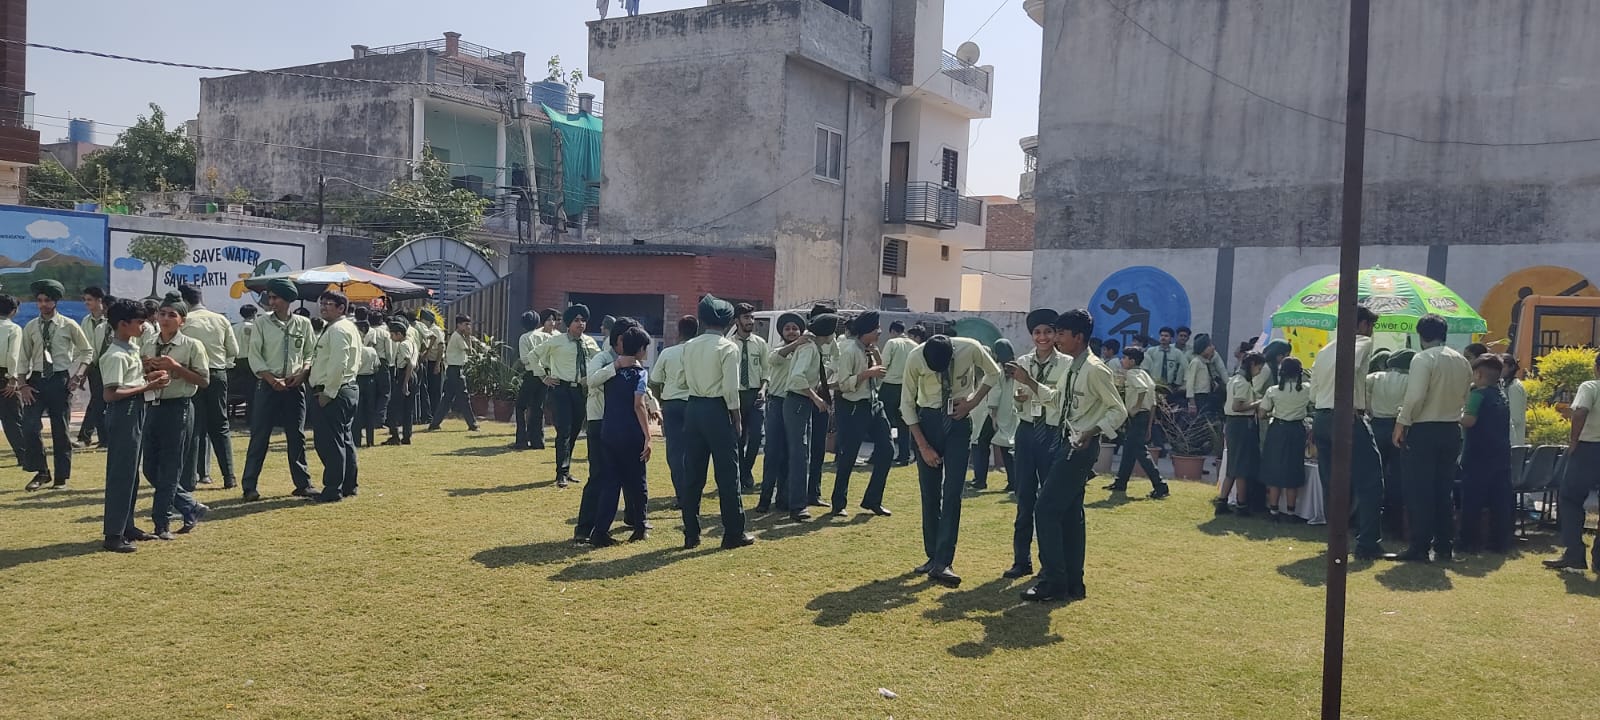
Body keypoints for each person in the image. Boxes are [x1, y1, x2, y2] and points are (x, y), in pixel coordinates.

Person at [1020, 309, 1126, 602]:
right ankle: (1072, 582)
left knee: (1045, 509)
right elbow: (1059, 400)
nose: (1056, 339)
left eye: (1061, 334)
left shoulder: (1095, 369)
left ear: (1078, 337)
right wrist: (1029, 382)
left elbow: (1118, 410)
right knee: (1069, 513)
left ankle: (1053, 580)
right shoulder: (1073, 367)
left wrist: (1092, 431)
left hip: (1078, 447)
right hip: (1065, 441)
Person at [902, 333, 1002, 588]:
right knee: (930, 493)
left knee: (953, 491)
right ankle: (932, 555)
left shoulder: (970, 347)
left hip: (958, 421)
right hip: (928, 422)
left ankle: (944, 561)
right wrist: (923, 446)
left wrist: (973, 402)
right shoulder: (915, 357)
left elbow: (994, 373)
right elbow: (906, 404)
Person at [1310, 305, 1391, 560]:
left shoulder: (1325, 349)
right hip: (1346, 416)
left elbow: (1313, 392)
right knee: (1370, 481)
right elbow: (1349, 365)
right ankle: (1367, 542)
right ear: (1364, 325)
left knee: (1331, 482)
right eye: (1371, 326)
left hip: (1322, 416)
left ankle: (1336, 539)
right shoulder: (1362, 342)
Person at [1392, 314, 1472, 563]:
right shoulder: (1462, 361)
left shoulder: (1422, 358)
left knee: (1419, 490)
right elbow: (1466, 396)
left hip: (1424, 429)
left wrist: (1402, 422)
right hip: (1451, 429)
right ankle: (1444, 545)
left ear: (1421, 335)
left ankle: (1419, 545)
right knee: (1443, 490)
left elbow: (1415, 396)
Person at [677, 295, 754, 550]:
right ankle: (733, 533)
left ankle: (691, 532)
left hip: (694, 407)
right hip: (717, 410)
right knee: (728, 474)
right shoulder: (728, 347)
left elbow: (682, 380)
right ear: (728, 321)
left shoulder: (689, 345)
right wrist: (737, 417)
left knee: (693, 473)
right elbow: (731, 389)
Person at [575, 317, 655, 542]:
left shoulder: (637, 367)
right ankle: (585, 527)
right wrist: (616, 366)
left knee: (629, 476)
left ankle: (635, 519)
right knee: (600, 476)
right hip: (601, 421)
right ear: (620, 339)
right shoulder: (602, 358)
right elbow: (591, 381)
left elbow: (643, 392)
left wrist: (653, 405)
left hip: (621, 422)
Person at [1003, 308, 1066, 578]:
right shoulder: (1024, 361)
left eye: (1048, 332)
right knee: (1024, 498)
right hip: (1027, 431)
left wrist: (1029, 382)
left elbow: (1057, 400)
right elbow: (1017, 397)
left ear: (1056, 334)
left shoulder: (1066, 364)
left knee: (1049, 500)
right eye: (1037, 332)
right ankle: (1021, 560)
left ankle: (1049, 563)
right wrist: (1019, 398)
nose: (1042, 337)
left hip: (1052, 433)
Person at [99, 297, 165, 553]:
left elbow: (130, 381)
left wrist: (149, 378)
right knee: (121, 473)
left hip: (136, 409)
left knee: (131, 473)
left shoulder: (130, 348)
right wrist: (148, 386)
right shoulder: (115, 354)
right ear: (123, 324)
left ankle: (127, 526)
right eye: (139, 321)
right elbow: (111, 394)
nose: (143, 326)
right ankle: (113, 533)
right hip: (123, 412)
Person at [141, 296, 212, 536]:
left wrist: (175, 367)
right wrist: (147, 372)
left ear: (182, 321)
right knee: (150, 468)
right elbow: (139, 373)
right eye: (162, 314)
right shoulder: (148, 342)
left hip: (178, 407)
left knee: (170, 467)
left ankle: (162, 523)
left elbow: (204, 381)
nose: (166, 319)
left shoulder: (192, 345)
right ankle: (190, 505)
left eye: (172, 315)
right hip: (152, 406)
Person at [239, 279, 315, 501]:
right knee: (260, 435)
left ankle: (303, 484)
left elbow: (310, 353)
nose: (271, 302)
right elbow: (255, 355)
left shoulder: (303, 324)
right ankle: (249, 486)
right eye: (270, 298)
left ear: (288, 299)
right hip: (267, 385)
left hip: (294, 386)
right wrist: (272, 380)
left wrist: (303, 373)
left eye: (276, 298)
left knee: (296, 436)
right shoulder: (262, 323)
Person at [19, 279, 91, 491]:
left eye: (47, 300)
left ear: (56, 302)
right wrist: (22, 385)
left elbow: (87, 351)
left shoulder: (68, 325)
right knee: (30, 426)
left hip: (60, 380)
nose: (43, 304)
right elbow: (23, 357)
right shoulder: (31, 327)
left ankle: (61, 477)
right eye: (40, 300)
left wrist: (78, 375)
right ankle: (42, 472)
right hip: (36, 380)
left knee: (60, 430)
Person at [828, 310, 894, 517]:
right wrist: (866, 374)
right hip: (853, 407)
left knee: (887, 450)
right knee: (848, 455)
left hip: (874, 404)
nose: (880, 332)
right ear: (866, 330)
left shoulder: (870, 349)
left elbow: (881, 376)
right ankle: (838, 503)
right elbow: (844, 384)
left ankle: (873, 500)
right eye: (877, 329)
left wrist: (876, 359)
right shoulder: (849, 351)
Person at [178, 284, 240, 489]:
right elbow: (234, 350)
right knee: (220, 425)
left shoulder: (185, 321)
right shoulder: (220, 319)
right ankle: (229, 476)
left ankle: (191, 477)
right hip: (217, 373)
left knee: (194, 426)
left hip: (192, 374)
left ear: (184, 300)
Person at [1544, 352, 1600, 572]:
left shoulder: (1590, 386)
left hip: (1589, 448)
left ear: (1596, 367)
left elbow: (1580, 412)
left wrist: (1573, 441)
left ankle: (1574, 553)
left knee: (1570, 498)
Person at [306, 291, 362, 502]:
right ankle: (348, 485)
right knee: (344, 440)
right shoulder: (344, 327)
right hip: (345, 388)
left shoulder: (338, 329)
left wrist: (328, 393)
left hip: (334, 391)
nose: (323, 307)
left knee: (330, 443)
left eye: (329, 304)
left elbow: (338, 363)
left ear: (341, 308)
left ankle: (332, 489)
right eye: (322, 303)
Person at [539, 305, 601, 488]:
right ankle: (561, 472)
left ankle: (567, 469)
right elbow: (534, 356)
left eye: (583, 320)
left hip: (580, 390)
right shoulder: (557, 341)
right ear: (568, 323)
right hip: (562, 390)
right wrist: (543, 376)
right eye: (576, 320)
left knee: (574, 431)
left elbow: (600, 359)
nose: (580, 324)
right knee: (564, 431)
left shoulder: (588, 342)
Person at [783, 313, 837, 523]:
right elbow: (797, 377)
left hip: (802, 402)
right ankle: (797, 505)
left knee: (802, 453)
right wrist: (816, 398)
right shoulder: (809, 349)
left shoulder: (815, 348)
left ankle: (798, 500)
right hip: (798, 401)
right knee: (799, 454)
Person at [1459, 354, 1513, 554]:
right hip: (1501, 455)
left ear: (1479, 375)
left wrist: (1455, 415)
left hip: (1477, 456)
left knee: (1472, 500)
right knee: (1500, 500)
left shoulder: (1478, 395)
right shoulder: (1501, 395)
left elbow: (1469, 420)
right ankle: (1499, 542)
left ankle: (1468, 541)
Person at [755, 312, 806, 514]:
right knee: (773, 452)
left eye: (795, 328)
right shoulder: (777, 349)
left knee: (791, 453)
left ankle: (784, 499)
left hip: (796, 404)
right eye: (787, 328)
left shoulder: (805, 351)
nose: (791, 332)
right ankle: (764, 498)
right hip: (776, 403)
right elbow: (775, 359)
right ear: (781, 332)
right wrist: (796, 344)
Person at [1107, 346, 1168, 498]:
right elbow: (1153, 403)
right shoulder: (1145, 374)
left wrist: (1135, 407)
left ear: (1132, 361)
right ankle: (1120, 482)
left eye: (1125, 358)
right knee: (1129, 450)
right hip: (1145, 416)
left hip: (1137, 415)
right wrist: (1149, 425)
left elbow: (1141, 389)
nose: (1122, 360)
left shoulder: (1132, 374)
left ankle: (1160, 485)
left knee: (1140, 452)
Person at [1258, 356, 1312, 521]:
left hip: (1278, 429)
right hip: (1297, 430)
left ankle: (1274, 510)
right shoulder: (1307, 389)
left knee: (1275, 468)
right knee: (1293, 469)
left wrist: (1273, 413)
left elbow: (1261, 414)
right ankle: (1291, 512)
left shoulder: (1273, 390)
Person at [1367, 349, 1412, 536]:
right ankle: (1394, 525)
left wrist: (1370, 410)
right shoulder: (1411, 380)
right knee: (1397, 477)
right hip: (1401, 427)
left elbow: (1361, 394)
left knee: (1373, 475)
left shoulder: (1374, 377)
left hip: (1376, 425)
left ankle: (1369, 521)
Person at [652, 316, 695, 507]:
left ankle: (682, 495)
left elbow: (655, 380)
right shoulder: (700, 352)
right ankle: (693, 492)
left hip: (672, 404)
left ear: (679, 332)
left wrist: (659, 403)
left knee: (675, 452)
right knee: (694, 450)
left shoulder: (668, 353)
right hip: (694, 403)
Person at [1215, 352, 1265, 515]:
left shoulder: (1234, 379)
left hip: (1232, 424)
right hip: (1241, 424)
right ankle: (1242, 505)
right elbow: (1237, 407)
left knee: (1233, 466)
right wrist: (1258, 403)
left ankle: (1222, 501)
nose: (1259, 372)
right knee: (1241, 467)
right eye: (1259, 368)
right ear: (1252, 365)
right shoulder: (1243, 383)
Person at [969, 339, 1018, 493]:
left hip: (994, 413)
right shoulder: (1017, 368)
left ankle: (980, 480)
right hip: (1012, 412)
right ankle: (1014, 482)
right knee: (1006, 446)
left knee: (981, 443)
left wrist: (993, 414)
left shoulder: (997, 370)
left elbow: (995, 393)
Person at [731, 303, 768, 494]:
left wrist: (763, 389)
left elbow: (766, 371)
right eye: (746, 318)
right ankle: (740, 474)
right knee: (738, 437)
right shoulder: (728, 344)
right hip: (736, 395)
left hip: (755, 395)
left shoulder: (760, 343)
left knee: (757, 436)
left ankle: (746, 471)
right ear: (736, 321)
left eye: (752, 317)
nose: (750, 321)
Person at [514, 309, 558, 450]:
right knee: (538, 407)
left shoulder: (524, 338)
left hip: (531, 374)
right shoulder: (547, 337)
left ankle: (521, 440)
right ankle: (538, 441)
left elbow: (524, 359)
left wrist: (532, 359)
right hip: (545, 374)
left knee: (521, 406)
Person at [428, 315, 481, 433]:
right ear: (459, 325)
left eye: (469, 324)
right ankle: (472, 424)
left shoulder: (459, 336)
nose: (468, 327)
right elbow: (469, 350)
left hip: (454, 370)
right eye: (465, 324)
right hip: (455, 371)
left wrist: (467, 336)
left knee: (447, 399)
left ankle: (434, 423)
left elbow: (469, 351)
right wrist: (468, 336)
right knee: (464, 397)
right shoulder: (457, 337)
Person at [879, 320, 918, 466]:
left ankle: (882, 453)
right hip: (907, 387)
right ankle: (904, 455)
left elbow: (884, 364)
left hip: (890, 386)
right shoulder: (914, 345)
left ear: (892, 331)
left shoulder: (892, 343)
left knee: (883, 422)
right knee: (905, 422)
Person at [77, 286, 111, 448]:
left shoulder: (110, 319)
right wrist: (83, 370)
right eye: (85, 300)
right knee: (97, 401)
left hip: (110, 366)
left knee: (100, 402)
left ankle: (90, 437)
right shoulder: (86, 320)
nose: (86, 303)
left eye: (89, 299)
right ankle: (90, 437)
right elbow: (84, 346)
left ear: (100, 301)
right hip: (94, 366)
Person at [0, 296, 26, 468]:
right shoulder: (13, 328)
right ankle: (24, 456)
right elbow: (13, 355)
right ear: (13, 311)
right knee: (13, 419)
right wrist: (13, 378)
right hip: (4, 376)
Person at [362, 307, 394, 447]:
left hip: (367, 362)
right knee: (385, 392)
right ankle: (379, 418)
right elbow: (389, 351)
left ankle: (368, 419)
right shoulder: (385, 332)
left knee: (372, 393)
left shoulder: (368, 332)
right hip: (382, 362)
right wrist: (390, 363)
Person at [384, 320, 416, 446]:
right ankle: (407, 436)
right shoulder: (411, 342)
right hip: (412, 375)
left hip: (405, 374)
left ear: (399, 334)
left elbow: (410, 363)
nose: (391, 337)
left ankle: (395, 435)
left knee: (393, 408)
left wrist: (405, 382)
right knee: (408, 408)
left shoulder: (403, 345)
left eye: (392, 334)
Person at [353, 313, 380, 448]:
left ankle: (356, 440)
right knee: (370, 411)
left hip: (357, 379)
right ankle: (370, 440)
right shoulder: (371, 351)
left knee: (357, 412)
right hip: (370, 380)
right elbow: (377, 367)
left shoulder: (354, 350)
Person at [1185, 333, 1226, 419]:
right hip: (1199, 396)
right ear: (1203, 349)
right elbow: (1190, 383)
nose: (1213, 347)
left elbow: (1222, 370)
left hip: (1207, 395)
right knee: (1200, 419)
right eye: (1210, 346)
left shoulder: (1205, 363)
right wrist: (1192, 402)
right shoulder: (1196, 362)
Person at [416, 308, 444, 425]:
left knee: (435, 390)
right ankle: (429, 413)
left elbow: (441, 347)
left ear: (427, 320)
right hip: (428, 362)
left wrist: (437, 364)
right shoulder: (426, 330)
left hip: (435, 362)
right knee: (429, 389)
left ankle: (435, 414)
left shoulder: (436, 330)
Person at [1501, 354, 1527, 446]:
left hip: (1513, 441)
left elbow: (1516, 418)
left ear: (1511, 367)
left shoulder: (1514, 387)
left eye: (1503, 367)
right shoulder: (1504, 385)